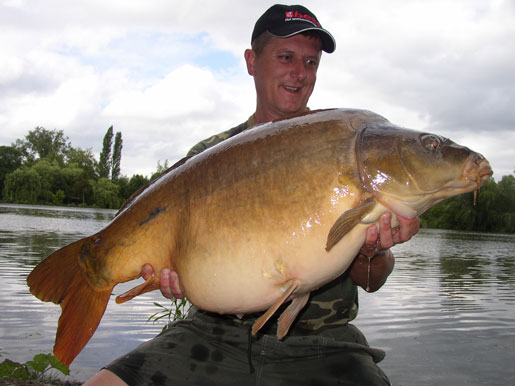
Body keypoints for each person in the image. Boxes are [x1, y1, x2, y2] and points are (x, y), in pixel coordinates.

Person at [84, 4, 419, 386]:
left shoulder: (347, 151)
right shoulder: (210, 156)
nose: (299, 73)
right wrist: (169, 280)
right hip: (213, 335)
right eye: (286, 57)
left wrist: (371, 250)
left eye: (310, 63)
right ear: (251, 61)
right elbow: (179, 268)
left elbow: (371, 280)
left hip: (323, 342)